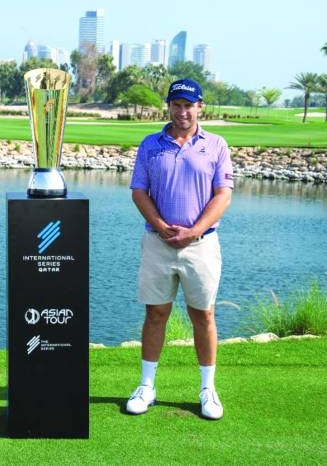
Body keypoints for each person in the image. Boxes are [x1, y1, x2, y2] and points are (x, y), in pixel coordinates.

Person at [125, 78, 234, 421]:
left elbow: (223, 195)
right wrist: (160, 226)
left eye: (189, 105)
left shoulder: (216, 145)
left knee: (203, 315)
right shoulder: (150, 144)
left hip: (201, 245)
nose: (182, 111)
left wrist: (194, 231)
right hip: (158, 244)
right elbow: (139, 191)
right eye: (177, 104)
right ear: (169, 106)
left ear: (200, 106)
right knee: (156, 313)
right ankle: (147, 386)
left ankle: (207, 390)